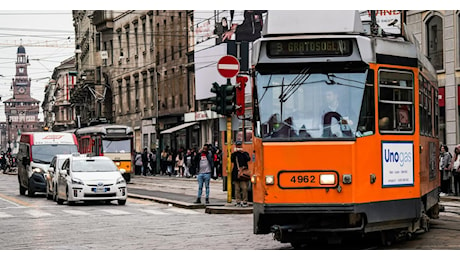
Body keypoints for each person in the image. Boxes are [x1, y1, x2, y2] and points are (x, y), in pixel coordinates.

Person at [231, 140, 251, 207]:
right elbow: (231, 160)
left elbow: (248, 159)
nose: (239, 146)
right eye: (237, 145)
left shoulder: (245, 153)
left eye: (240, 145)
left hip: (243, 173)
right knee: (237, 189)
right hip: (236, 173)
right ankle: (238, 201)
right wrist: (235, 153)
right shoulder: (234, 154)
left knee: (244, 188)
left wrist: (243, 153)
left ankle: (245, 201)